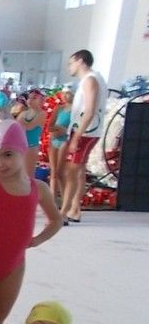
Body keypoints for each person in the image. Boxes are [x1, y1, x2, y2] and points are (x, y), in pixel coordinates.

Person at [0, 121, 62, 324]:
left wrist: (37, 240)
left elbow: (56, 220)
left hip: (15, 265)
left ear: (23, 150)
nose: (0, 164)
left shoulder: (39, 189)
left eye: (7, 155)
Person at [61, 50, 107, 223]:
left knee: (71, 172)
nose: (69, 67)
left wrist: (76, 137)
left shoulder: (90, 80)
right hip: (85, 131)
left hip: (85, 132)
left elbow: (89, 110)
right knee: (79, 170)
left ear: (80, 61)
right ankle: (74, 209)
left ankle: (63, 212)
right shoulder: (90, 80)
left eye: (71, 63)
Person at [47, 89, 73, 204]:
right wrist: (55, 130)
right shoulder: (59, 108)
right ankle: (52, 200)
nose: (66, 96)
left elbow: (76, 128)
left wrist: (65, 131)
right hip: (54, 139)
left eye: (68, 94)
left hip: (65, 140)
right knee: (53, 172)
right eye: (64, 94)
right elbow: (50, 126)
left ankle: (65, 200)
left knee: (60, 172)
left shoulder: (76, 111)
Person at [15, 89, 45, 177]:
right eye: (29, 98)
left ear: (42, 100)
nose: (30, 100)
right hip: (20, 146)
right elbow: (16, 126)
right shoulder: (24, 113)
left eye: (34, 98)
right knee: (18, 174)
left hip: (31, 146)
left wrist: (21, 122)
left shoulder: (42, 113)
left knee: (28, 175)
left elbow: (28, 126)